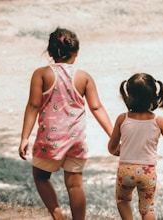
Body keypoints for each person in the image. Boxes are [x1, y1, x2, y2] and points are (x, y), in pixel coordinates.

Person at [18, 27, 113, 220]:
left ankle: (57, 214)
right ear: (76, 52)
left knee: (41, 176)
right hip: (75, 140)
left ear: (50, 52)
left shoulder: (41, 74)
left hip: (49, 139)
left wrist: (25, 137)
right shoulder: (83, 77)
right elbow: (97, 108)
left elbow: (34, 105)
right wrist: (114, 135)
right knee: (75, 185)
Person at [108, 73, 163, 220]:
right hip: (148, 172)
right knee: (147, 208)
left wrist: (119, 150)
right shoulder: (159, 121)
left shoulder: (123, 118)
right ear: (154, 95)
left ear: (129, 95)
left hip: (126, 170)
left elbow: (111, 147)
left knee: (123, 200)